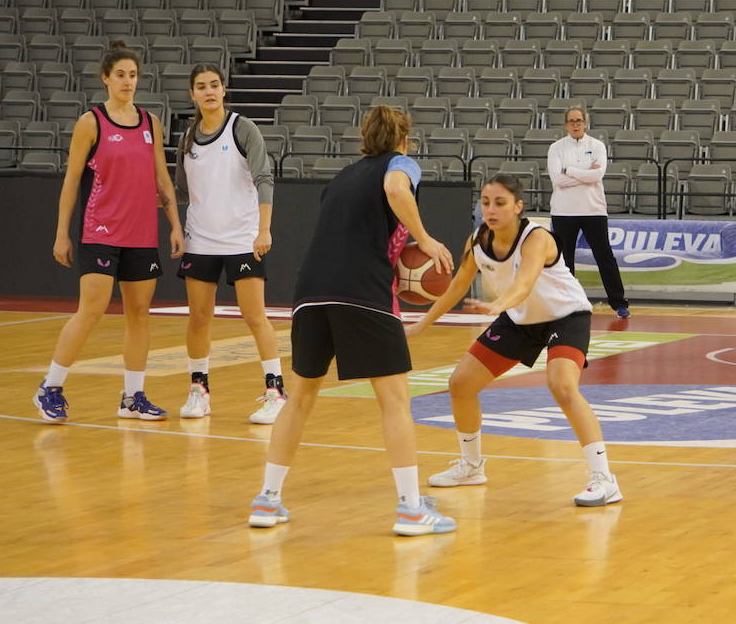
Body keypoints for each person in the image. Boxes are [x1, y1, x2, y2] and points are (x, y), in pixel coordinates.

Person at [248, 105, 458, 534]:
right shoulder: (402, 164)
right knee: (395, 401)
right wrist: (425, 238)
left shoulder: (343, 176)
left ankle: (268, 500)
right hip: (361, 291)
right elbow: (398, 190)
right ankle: (411, 508)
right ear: (404, 139)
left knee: (300, 399)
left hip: (310, 292)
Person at [406, 174, 623, 507]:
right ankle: (472, 467)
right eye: (485, 202)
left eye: (500, 203)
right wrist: (421, 324)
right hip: (519, 318)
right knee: (461, 383)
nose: (490, 210)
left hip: (565, 316)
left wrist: (497, 305)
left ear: (519, 206)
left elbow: (524, 283)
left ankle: (604, 479)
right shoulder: (477, 240)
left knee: (562, 386)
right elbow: (456, 287)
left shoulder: (536, 238)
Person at [34, 41, 184, 423]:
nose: (128, 82)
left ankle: (133, 396)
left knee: (139, 314)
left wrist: (175, 226)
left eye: (133, 75)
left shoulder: (151, 123)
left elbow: (162, 178)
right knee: (92, 310)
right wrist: (61, 233)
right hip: (99, 231)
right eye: (120, 75)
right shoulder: (91, 122)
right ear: (106, 78)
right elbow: (71, 181)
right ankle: (50, 386)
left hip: (141, 234)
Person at [174, 64, 286, 423]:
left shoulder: (242, 129)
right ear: (192, 94)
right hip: (200, 240)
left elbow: (264, 177)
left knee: (255, 317)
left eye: (214, 85)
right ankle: (199, 390)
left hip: (241, 238)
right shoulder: (187, 137)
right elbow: (181, 190)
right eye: (201, 87)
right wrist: (179, 230)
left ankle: (276, 390)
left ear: (224, 90)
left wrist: (264, 230)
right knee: (198, 319)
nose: (209, 91)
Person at [547, 105, 629, 319]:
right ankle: (568, 305)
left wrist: (570, 171)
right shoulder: (556, 148)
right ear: (566, 124)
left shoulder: (598, 145)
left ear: (585, 123)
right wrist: (584, 174)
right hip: (563, 211)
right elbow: (557, 180)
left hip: (594, 210)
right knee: (564, 260)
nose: (575, 124)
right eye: (571, 121)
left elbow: (597, 175)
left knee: (604, 256)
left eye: (579, 121)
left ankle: (619, 303)